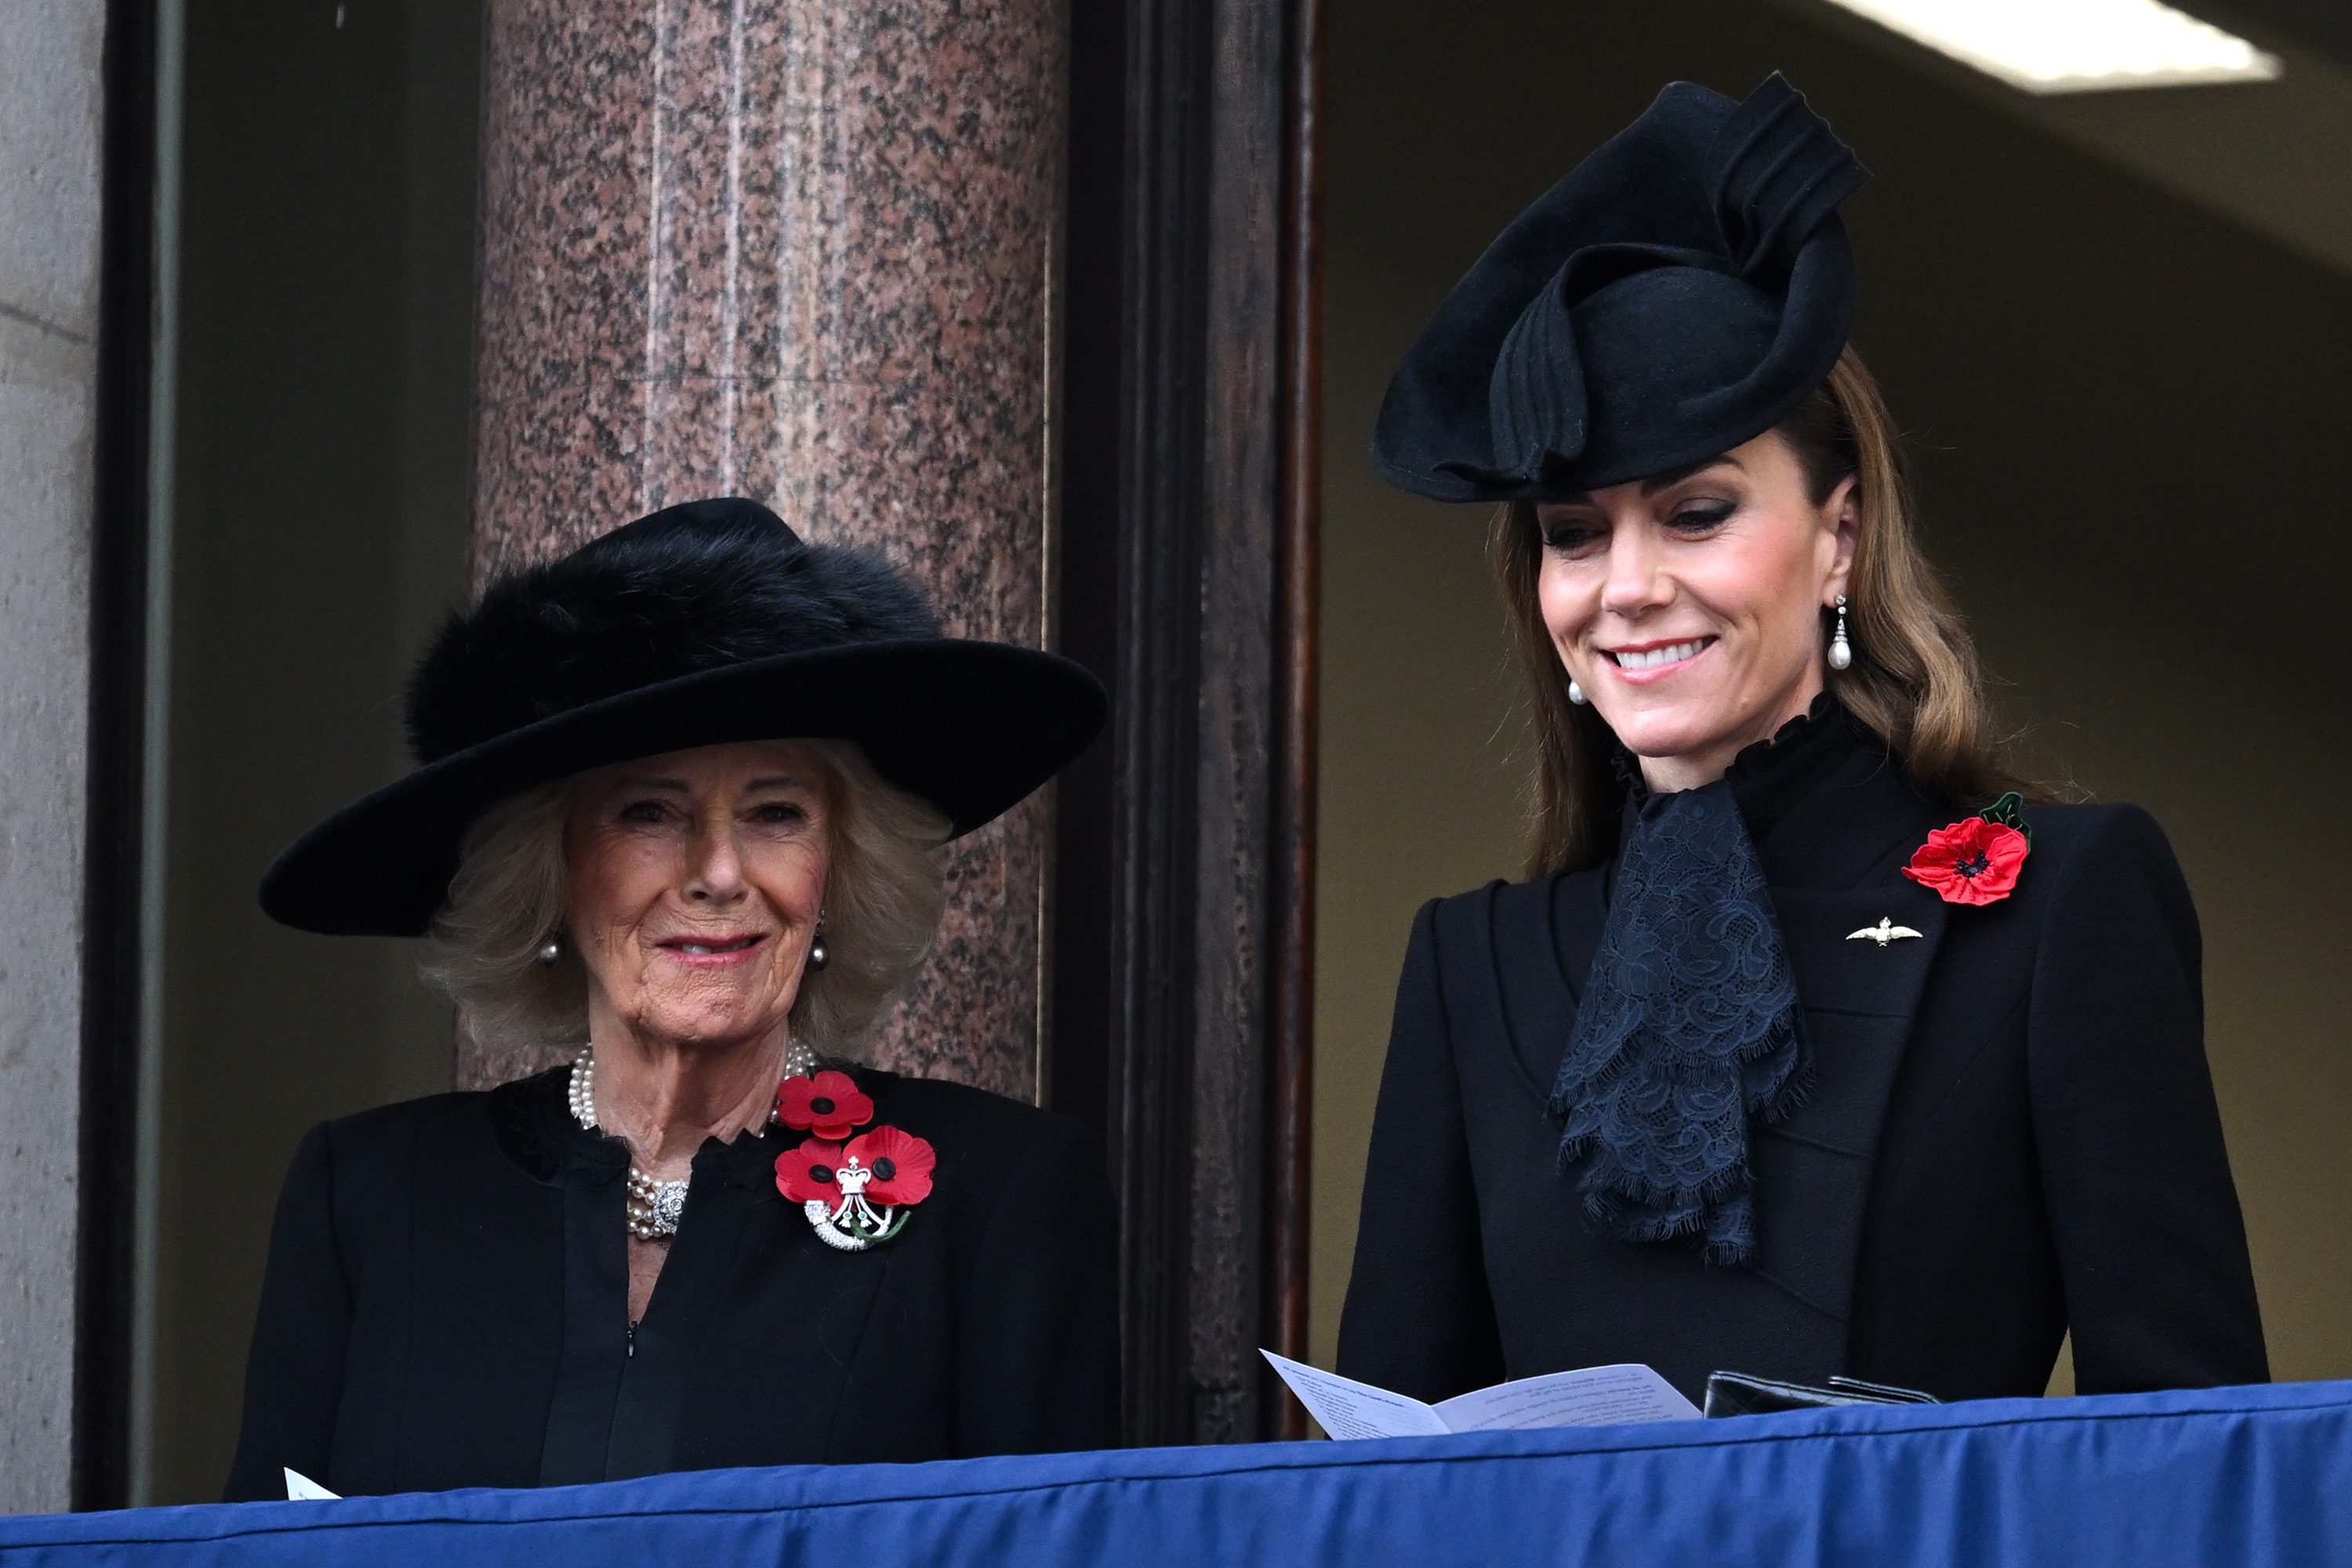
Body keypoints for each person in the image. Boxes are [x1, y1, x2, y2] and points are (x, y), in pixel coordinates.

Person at [1338, 74, 2267, 1406]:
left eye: (1697, 512)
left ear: (1841, 537)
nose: (1627, 587)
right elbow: (1394, 1461)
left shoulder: (2061, 900)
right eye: (1575, 535)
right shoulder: (1469, 961)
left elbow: (2189, 1436)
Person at [224, 498, 1118, 1500]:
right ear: (552, 871)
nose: (720, 872)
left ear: (837, 873)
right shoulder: (371, 1197)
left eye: (776, 812)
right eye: (649, 811)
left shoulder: (997, 1200)